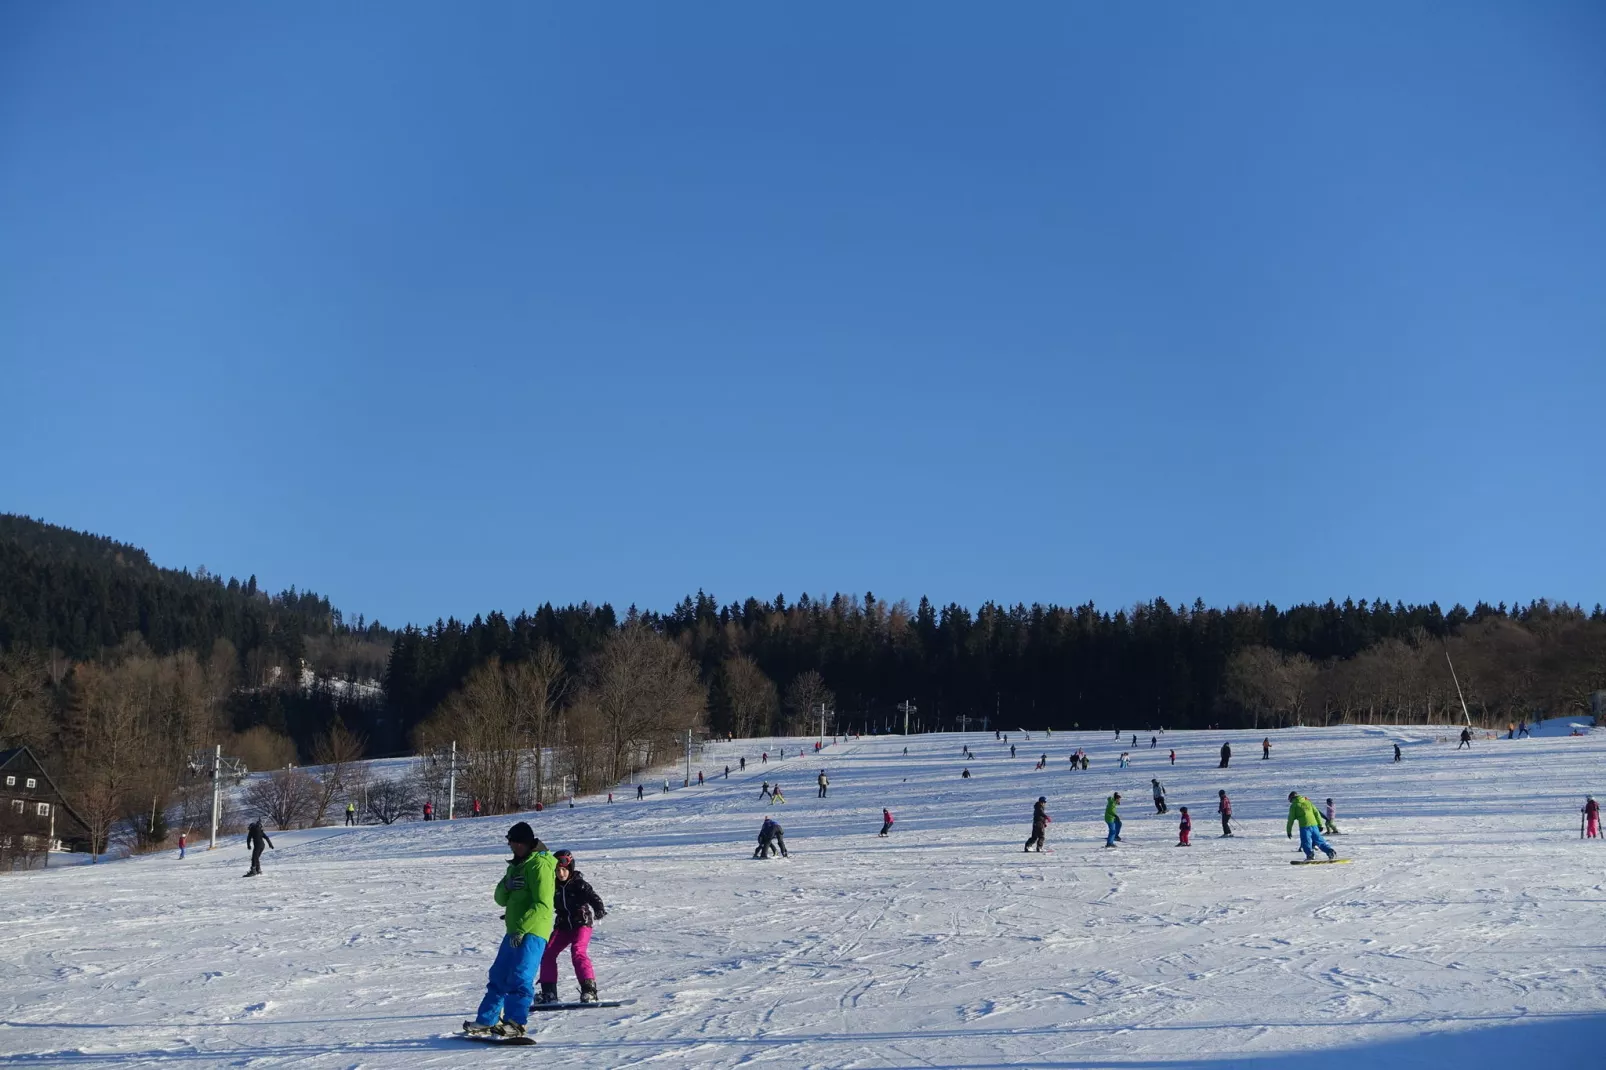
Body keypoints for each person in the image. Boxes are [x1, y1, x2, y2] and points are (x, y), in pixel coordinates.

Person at [463, 822, 555, 1039]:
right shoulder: (515, 866)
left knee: (520, 977)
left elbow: (543, 904)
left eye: (517, 844)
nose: (514, 848)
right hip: (514, 931)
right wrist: (507, 886)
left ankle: (516, 1023)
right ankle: (487, 1020)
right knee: (499, 975)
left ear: (527, 843)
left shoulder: (539, 865)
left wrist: (522, 928)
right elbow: (499, 899)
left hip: (532, 932)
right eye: (512, 844)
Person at [536, 849, 607, 1005]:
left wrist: (599, 910)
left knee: (578, 951)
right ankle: (549, 993)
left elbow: (593, 897)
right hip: (563, 925)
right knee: (547, 953)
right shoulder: (551, 886)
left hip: (582, 923)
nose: (561, 873)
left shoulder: (579, 884)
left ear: (570, 869)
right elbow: (540, 902)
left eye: (564, 870)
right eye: (557, 870)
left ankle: (589, 990)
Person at [1287, 792, 1337, 861]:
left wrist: (1289, 831)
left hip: (1304, 826)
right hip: (1314, 825)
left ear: (1291, 798)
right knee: (1319, 840)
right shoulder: (1308, 802)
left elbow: (1290, 820)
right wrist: (1320, 825)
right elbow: (1317, 813)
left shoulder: (1294, 805)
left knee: (1306, 841)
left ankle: (1310, 855)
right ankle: (1330, 851)